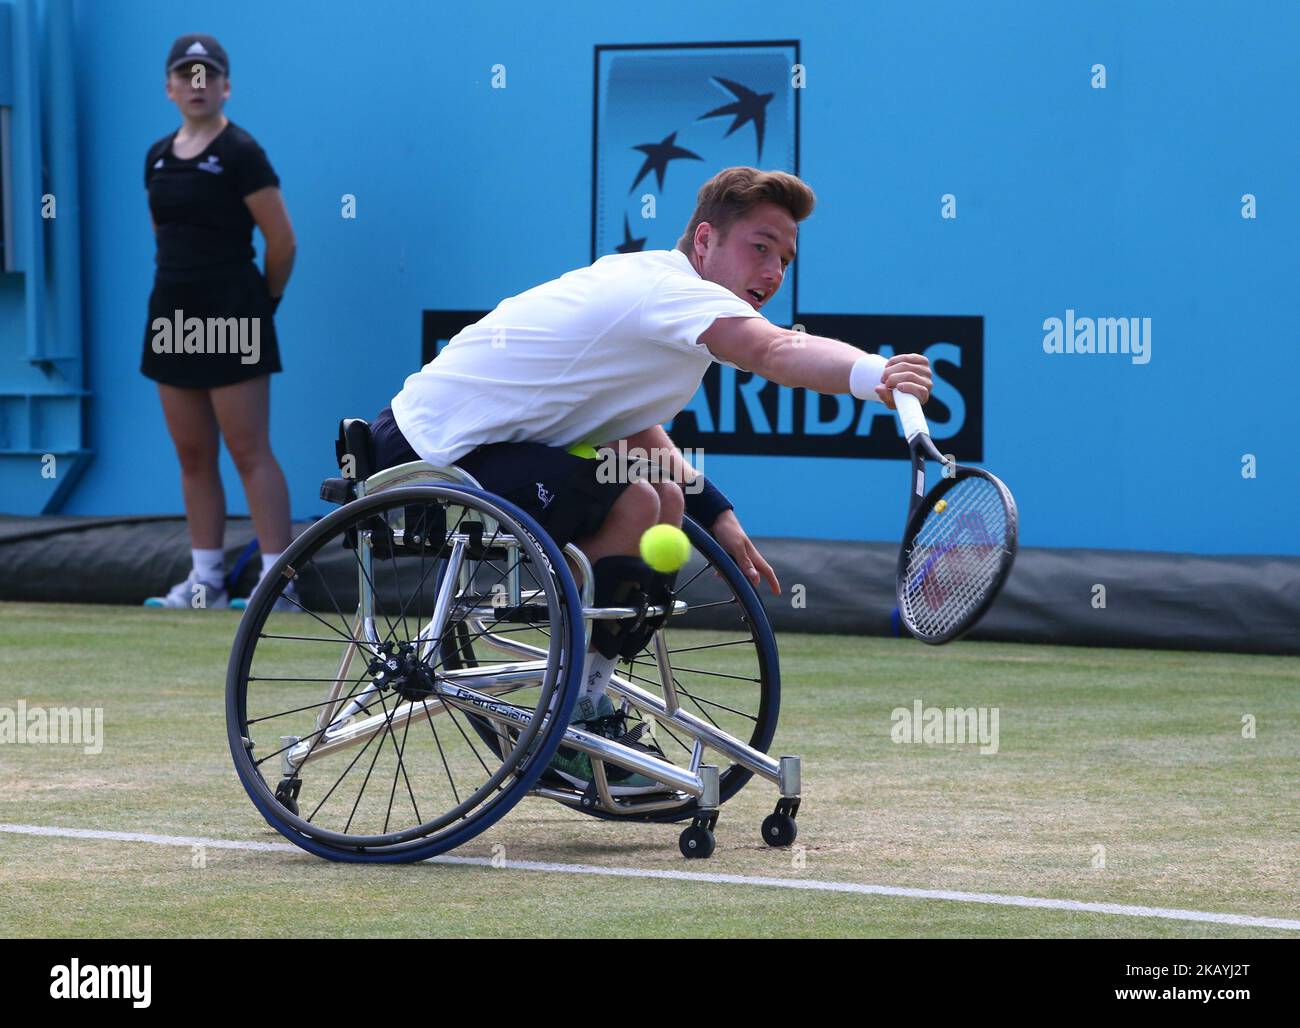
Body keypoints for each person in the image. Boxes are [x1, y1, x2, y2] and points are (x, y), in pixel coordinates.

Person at [369, 166, 933, 788]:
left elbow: (638, 432)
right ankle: (566, 713)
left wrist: (718, 514)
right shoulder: (670, 291)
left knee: (659, 495)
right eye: (760, 247)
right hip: (431, 446)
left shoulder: (668, 299)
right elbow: (776, 352)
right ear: (703, 241)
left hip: (490, 447)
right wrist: (872, 375)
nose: (773, 272)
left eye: (785, 259)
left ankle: (581, 697)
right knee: (638, 500)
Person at [141, 34, 297, 610]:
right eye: (186, 74)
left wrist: (261, 307)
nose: (197, 84)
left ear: (225, 86)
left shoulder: (242, 153)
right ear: (170, 88)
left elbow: (281, 243)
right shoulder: (157, 156)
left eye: (208, 74)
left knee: (248, 448)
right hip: (171, 319)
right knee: (192, 453)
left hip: (236, 315)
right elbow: (166, 238)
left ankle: (278, 584)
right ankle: (204, 578)